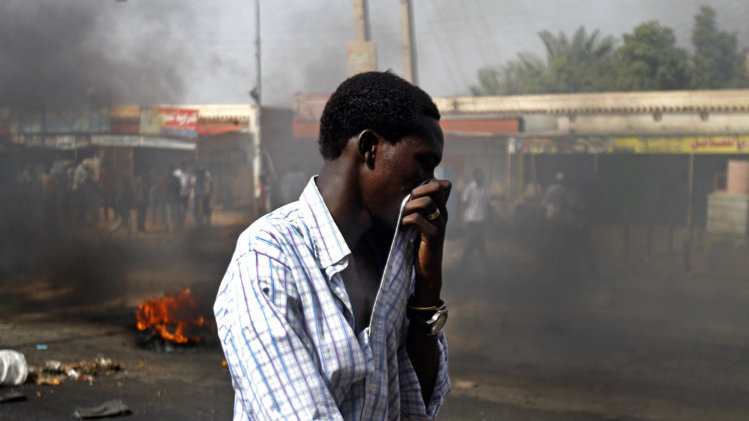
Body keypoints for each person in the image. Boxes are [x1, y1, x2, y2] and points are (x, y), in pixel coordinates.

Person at [214, 71, 451, 420]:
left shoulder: (394, 257)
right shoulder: (268, 255)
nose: (433, 184)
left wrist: (428, 286)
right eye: (424, 163)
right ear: (370, 149)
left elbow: (418, 404)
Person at [460, 168, 490, 270]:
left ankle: (464, 264)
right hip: (472, 219)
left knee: (476, 241)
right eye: (479, 175)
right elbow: (464, 202)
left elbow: (486, 204)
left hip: (481, 219)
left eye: (482, 175)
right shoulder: (470, 188)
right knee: (475, 241)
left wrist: (486, 217)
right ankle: (486, 263)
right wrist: (463, 217)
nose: (481, 177)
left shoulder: (484, 188)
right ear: (475, 176)